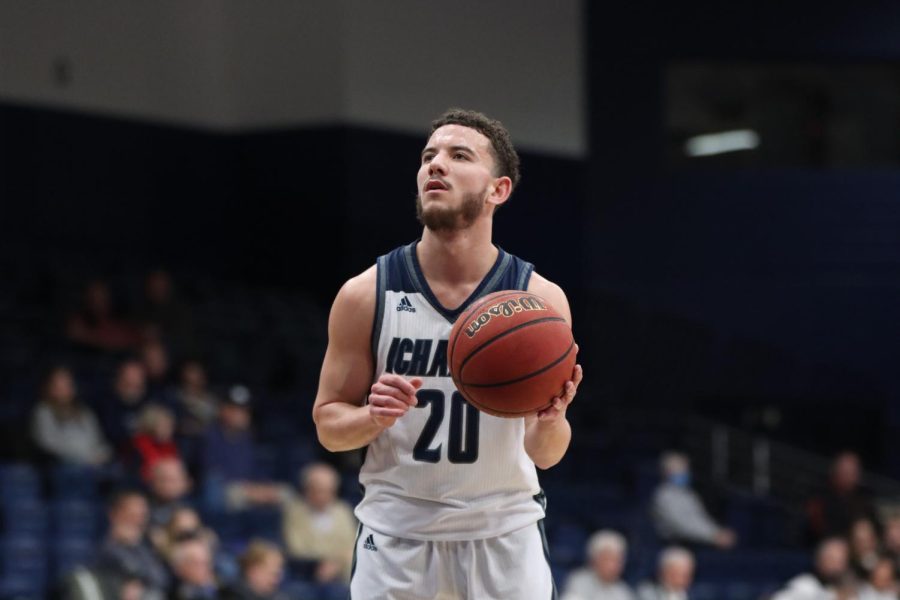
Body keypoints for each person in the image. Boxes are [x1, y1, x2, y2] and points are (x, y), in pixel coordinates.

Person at [312, 108, 582, 599]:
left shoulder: (539, 301)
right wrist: (372, 416)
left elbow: (547, 453)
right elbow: (329, 428)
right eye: (428, 156)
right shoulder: (366, 294)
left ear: (498, 190)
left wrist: (551, 419)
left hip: (505, 531)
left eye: (459, 156)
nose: (436, 165)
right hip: (397, 533)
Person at [282, 462, 357, 584]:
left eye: (329, 491)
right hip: (307, 573)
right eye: (319, 491)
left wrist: (335, 564)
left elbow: (351, 545)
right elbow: (296, 548)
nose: (324, 496)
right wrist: (325, 562)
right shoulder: (295, 511)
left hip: (340, 573)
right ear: (308, 490)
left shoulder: (343, 511)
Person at [651, 451, 736, 549]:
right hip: (673, 546)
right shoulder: (663, 496)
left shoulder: (689, 494)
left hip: (695, 543)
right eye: (679, 470)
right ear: (667, 472)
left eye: (685, 470)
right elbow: (681, 525)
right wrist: (713, 536)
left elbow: (701, 518)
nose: (684, 473)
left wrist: (718, 532)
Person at [30, 365, 112, 466]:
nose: (63, 390)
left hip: (93, 462)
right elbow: (48, 445)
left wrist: (102, 453)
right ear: (49, 388)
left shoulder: (84, 411)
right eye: (58, 386)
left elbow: (97, 440)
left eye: (67, 384)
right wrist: (84, 457)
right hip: (65, 463)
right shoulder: (43, 411)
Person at [93, 490, 169, 598]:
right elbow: (134, 572)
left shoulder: (145, 544)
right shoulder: (107, 548)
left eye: (142, 515)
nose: (138, 521)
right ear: (114, 515)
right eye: (132, 515)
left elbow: (160, 579)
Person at [807, 451, 879, 542]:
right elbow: (817, 528)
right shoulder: (820, 496)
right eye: (845, 471)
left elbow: (874, 527)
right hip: (827, 545)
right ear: (835, 472)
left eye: (853, 472)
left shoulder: (864, 500)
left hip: (857, 548)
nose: (849, 476)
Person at [561, 530, 635, 600]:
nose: (613, 566)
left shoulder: (623, 591)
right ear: (594, 560)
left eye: (618, 561)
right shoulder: (578, 580)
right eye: (608, 559)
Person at [772, 537, 854, 600]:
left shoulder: (850, 589)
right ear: (819, 560)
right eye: (831, 560)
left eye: (840, 561)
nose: (836, 567)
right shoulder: (804, 585)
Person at [221, 540, 287, 600]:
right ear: (253, 570)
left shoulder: (276, 596)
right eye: (272, 574)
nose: (277, 579)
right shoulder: (233, 594)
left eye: (279, 574)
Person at [130, 403, 180, 482]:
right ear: (150, 426)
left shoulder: (170, 444)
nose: (168, 430)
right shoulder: (139, 444)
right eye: (163, 426)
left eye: (169, 425)